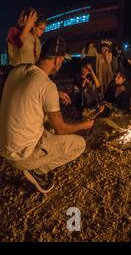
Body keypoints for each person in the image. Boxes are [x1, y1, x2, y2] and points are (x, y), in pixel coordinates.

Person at [0, 37, 93, 193]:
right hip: (22, 155)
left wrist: (56, 93)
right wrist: (84, 125)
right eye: (63, 60)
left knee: (42, 116)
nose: (62, 63)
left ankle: (33, 159)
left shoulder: (18, 70)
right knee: (79, 144)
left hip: (4, 147)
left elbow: (28, 92)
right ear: (57, 59)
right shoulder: (46, 85)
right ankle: (38, 171)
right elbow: (61, 129)